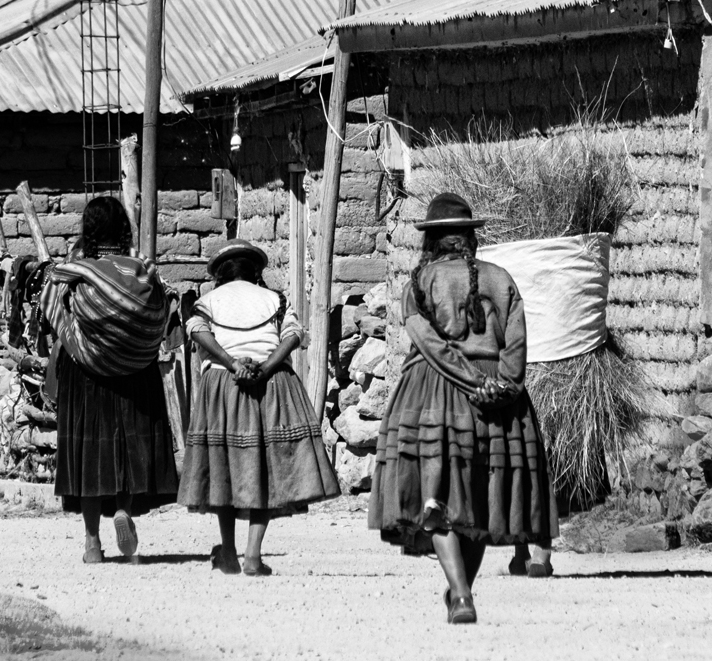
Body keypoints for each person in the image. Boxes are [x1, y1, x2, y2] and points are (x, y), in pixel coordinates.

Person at [369, 193, 559, 623]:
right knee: (478, 498)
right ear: (471, 238)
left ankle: (461, 594)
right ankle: (463, 591)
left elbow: (430, 344)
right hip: (500, 404)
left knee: (438, 497)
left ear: (432, 240)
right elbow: (517, 341)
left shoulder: (419, 282)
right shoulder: (502, 277)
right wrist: (503, 384)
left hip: (437, 392)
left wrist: (473, 381)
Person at [178, 239, 340, 577]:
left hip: (224, 386)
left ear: (219, 274)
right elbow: (293, 335)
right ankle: (253, 555)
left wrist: (231, 362)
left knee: (225, 468)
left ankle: (230, 553)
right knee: (265, 468)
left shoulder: (206, 301)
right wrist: (265, 368)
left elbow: (196, 332)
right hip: (272, 384)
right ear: (256, 271)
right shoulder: (276, 300)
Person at [40, 196, 179, 563]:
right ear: (124, 229)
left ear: (88, 230)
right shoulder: (142, 270)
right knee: (126, 445)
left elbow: (54, 311)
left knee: (90, 452)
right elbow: (162, 313)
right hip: (136, 372)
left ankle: (91, 544)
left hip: (86, 373)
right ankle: (123, 510)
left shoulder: (75, 271)